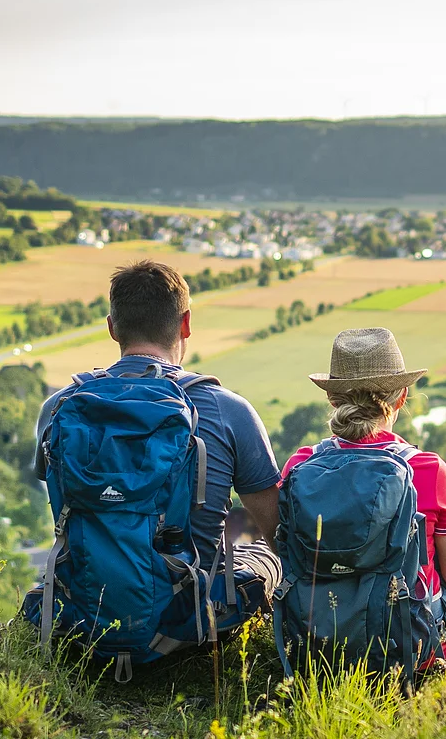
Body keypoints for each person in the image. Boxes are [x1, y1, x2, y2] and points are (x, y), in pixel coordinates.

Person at [20, 260, 283, 672]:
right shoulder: (229, 410)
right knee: (265, 555)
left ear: (112, 327)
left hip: (84, 622)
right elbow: (276, 529)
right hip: (187, 628)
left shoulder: (59, 408)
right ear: (186, 324)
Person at [267, 327, 446, 675]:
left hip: (317, 649)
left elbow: (286, 556)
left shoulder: (299, 465)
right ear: (402, 396)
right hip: (412, 651)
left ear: (333, 399)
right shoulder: (427, 469)